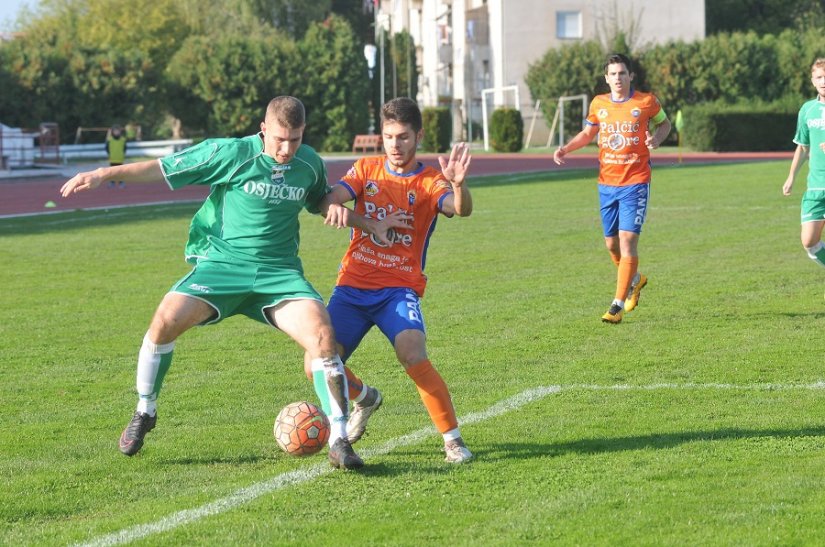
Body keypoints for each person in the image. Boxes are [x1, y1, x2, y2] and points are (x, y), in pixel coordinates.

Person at [60, 96, 364, 470]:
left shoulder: (310, 163)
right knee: (164, 321)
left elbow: (318, 196)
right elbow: (162, 168)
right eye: (280, 139)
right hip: (222, 267)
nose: (287, 149)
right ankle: (145, 410)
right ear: (263, 129)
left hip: (279, 273)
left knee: (322, 337)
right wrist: (104, 174)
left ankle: (339, 439)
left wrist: (336, 208)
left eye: (295, 140)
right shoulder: (231, 153)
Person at [309, 97, 475, 463]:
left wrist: (459, 186)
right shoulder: (366, 169)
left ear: (418, 136)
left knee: (412, 352)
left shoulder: (430, 180)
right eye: (388, 137)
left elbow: (458, 209)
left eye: (403, 137)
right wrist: (337, 207)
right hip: (352, 287)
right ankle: (364, 398)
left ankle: (453, 440)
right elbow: (329, 200)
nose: (395, 146)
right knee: (315, 363)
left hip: (398, 290)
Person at [554, 53, 671, 323]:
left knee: (628, 240)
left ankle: (616, 306)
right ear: (606, 78)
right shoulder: (599, 104)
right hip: (607, 183)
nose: (618, 78)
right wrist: (566, 148)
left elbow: (664, 124)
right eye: (613, 74)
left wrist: (657, 138)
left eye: (622, 73)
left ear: (630, 76)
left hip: (636, 182)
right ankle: (635, 279)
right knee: (611, 244)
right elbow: (587, 133)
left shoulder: (646, 102)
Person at [782, 58, 825, 284]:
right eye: (819, 77)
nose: (823, 81)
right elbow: (803, 146)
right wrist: (791, 176)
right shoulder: (807, 110)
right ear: (812, 80)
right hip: (816, 187)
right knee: (809, 243)